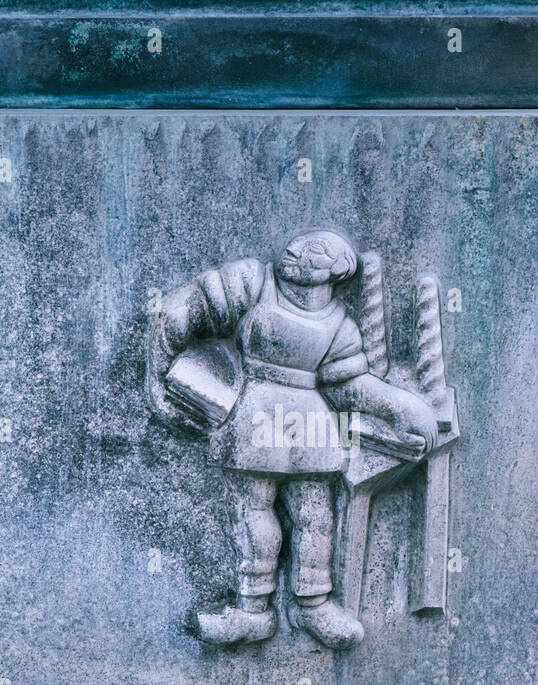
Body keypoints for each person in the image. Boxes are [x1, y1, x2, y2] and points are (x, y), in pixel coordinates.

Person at [147, 229, 438, 648]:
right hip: (252, 412)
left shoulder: (340, 324)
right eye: (300, 244)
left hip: (310, 425)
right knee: (252, 511)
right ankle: (252, 611)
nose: (298, 250)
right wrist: (160, 365)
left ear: (336, 272)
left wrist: (402, 407)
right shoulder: (252, 282)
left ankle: (313, 604)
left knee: (315, 517)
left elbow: (350, 385)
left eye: (316, 250)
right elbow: (185, 308)